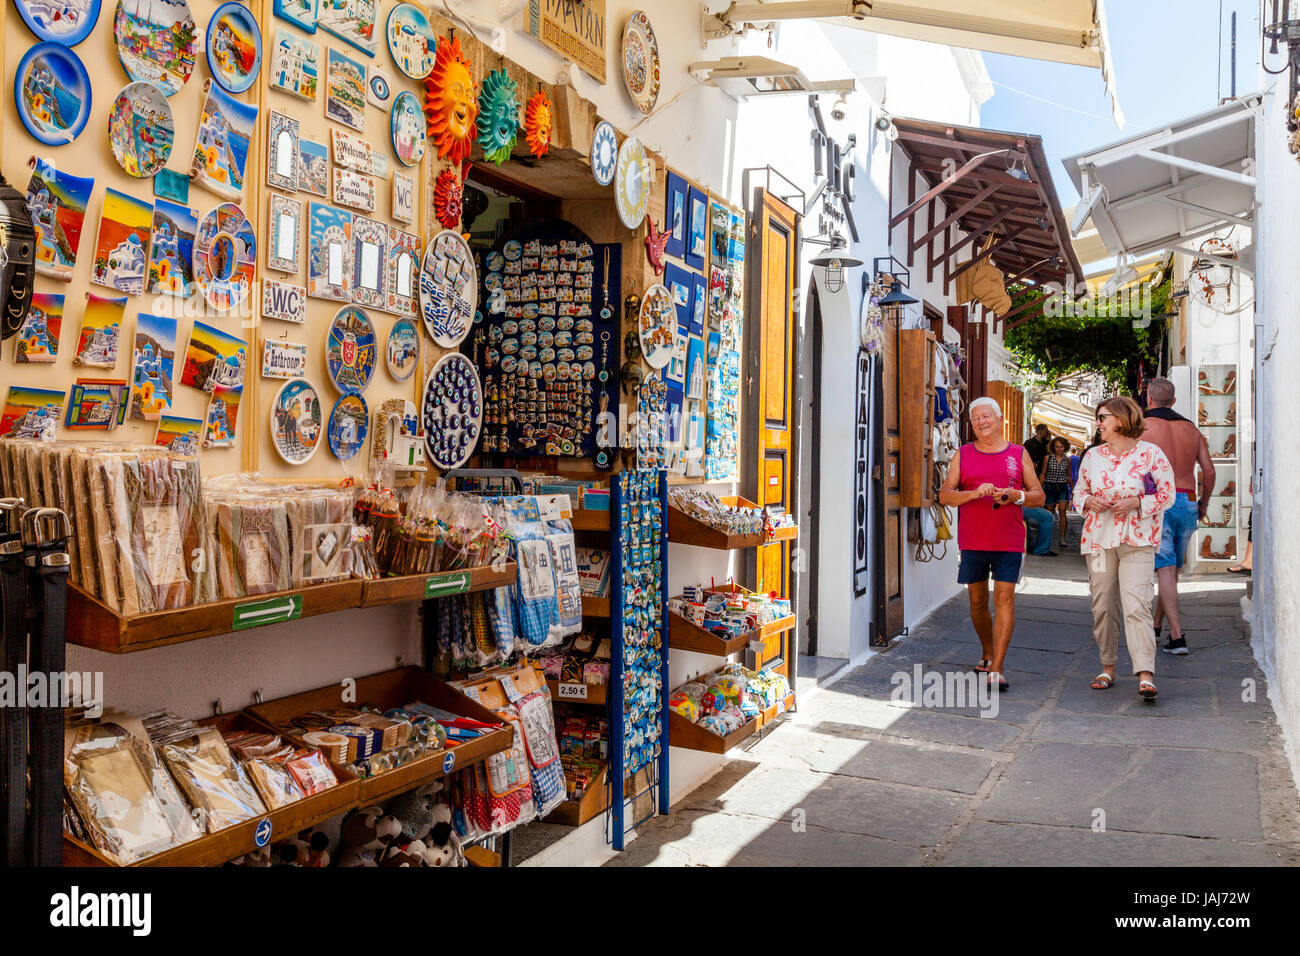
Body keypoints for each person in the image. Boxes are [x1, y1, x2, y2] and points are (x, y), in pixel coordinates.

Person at [939, 396, 1047, 693]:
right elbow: (945, 495)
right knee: (976, 602)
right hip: (973, 538)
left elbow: (1039, 496)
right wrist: (973, 494)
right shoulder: (963, 453)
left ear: (1000, 420)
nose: (981, 422)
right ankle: (987, 651)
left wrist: (1016, 495)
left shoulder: (1018, 453)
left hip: (1009, 539)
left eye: (987, 416)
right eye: (975, 418)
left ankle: (997, 667)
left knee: (1005, 599)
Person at [1073, 396, 1176, 701]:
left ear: (1120, 419)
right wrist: (1089, 501)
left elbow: (1167, 495)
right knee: (1103, 605)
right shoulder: (1092, 456)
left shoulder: (1151, 455)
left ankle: (1145, 674)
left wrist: (1138, 502)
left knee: (1136, 605)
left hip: (1137, 541)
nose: (1098, 423)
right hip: (1099, 541)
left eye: (1102, 417)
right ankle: (1108, 667)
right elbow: (1079, 492)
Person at [1142, 377, 1215, 655]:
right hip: (1188, 500)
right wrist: (1204, 504)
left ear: (1148, 399)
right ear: (1173, 401)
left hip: (1161, 500)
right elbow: (1208, 472)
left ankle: (1178, 637)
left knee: (1167, 569)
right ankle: (1157, 624)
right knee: (1171, 569)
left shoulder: (1143, 428)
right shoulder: (1192, 430)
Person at [1039, 436, 1073, 547]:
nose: (1059, 449)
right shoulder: (1047, 458)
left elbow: (1069, 476)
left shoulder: (1068, 460)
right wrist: (1039, 488)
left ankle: (1062, 538)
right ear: (1053, 447)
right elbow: (1043, 474)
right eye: (1057, 447)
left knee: (1063, 512)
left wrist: (1073, 490)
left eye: (1061, 447)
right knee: (1049, 513)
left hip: (1063, 487)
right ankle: (1046, 539)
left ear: (1065, 447)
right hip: (1050, 486)